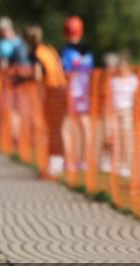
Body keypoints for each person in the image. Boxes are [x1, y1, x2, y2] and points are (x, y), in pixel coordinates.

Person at [22, 25, 69, 177]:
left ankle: (56, 163)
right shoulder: (49, 49)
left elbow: (36, 76)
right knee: (60, 127)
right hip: (62, 89)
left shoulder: (36, 54)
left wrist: (21, 79)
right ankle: (62, 161)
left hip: (52, 92)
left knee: (54, 128)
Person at [60, 16, 95, 172]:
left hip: (71, 92)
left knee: (66, 125)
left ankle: (69, 162)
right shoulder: (89, 51)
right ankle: (84, 161)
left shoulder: (67, 51)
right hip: (85, 92)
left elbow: (64, 72)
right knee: (85, 125)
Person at [108, 50, 140, 178]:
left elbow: (138, 98)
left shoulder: (134, 80)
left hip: (127, 111)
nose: (121, 69)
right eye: (119, 66)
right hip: (114, 111)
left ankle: (126, 166)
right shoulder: (113, 80)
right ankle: (115, 164)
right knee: (114, 138)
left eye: (123, 66)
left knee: (126, 139)